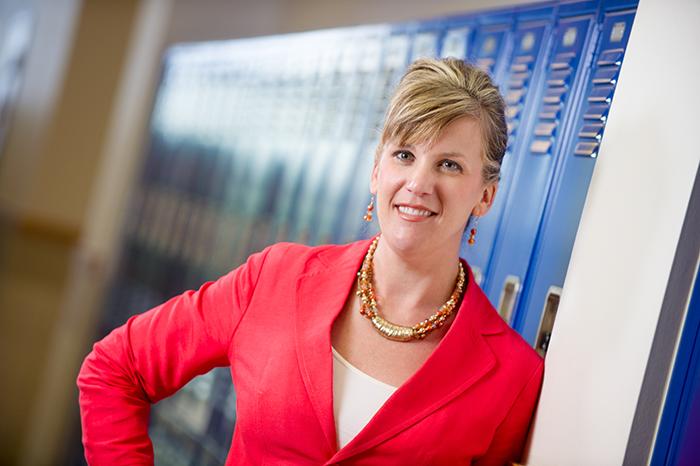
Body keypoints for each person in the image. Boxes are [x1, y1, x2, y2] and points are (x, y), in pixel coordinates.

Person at [78, 57, 543, 465]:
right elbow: (115, 368)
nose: (418, 183)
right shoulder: (276, 279)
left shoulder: (512, 377)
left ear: (485, 194)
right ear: (376, 170)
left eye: (449, 165)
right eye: (405, 154)